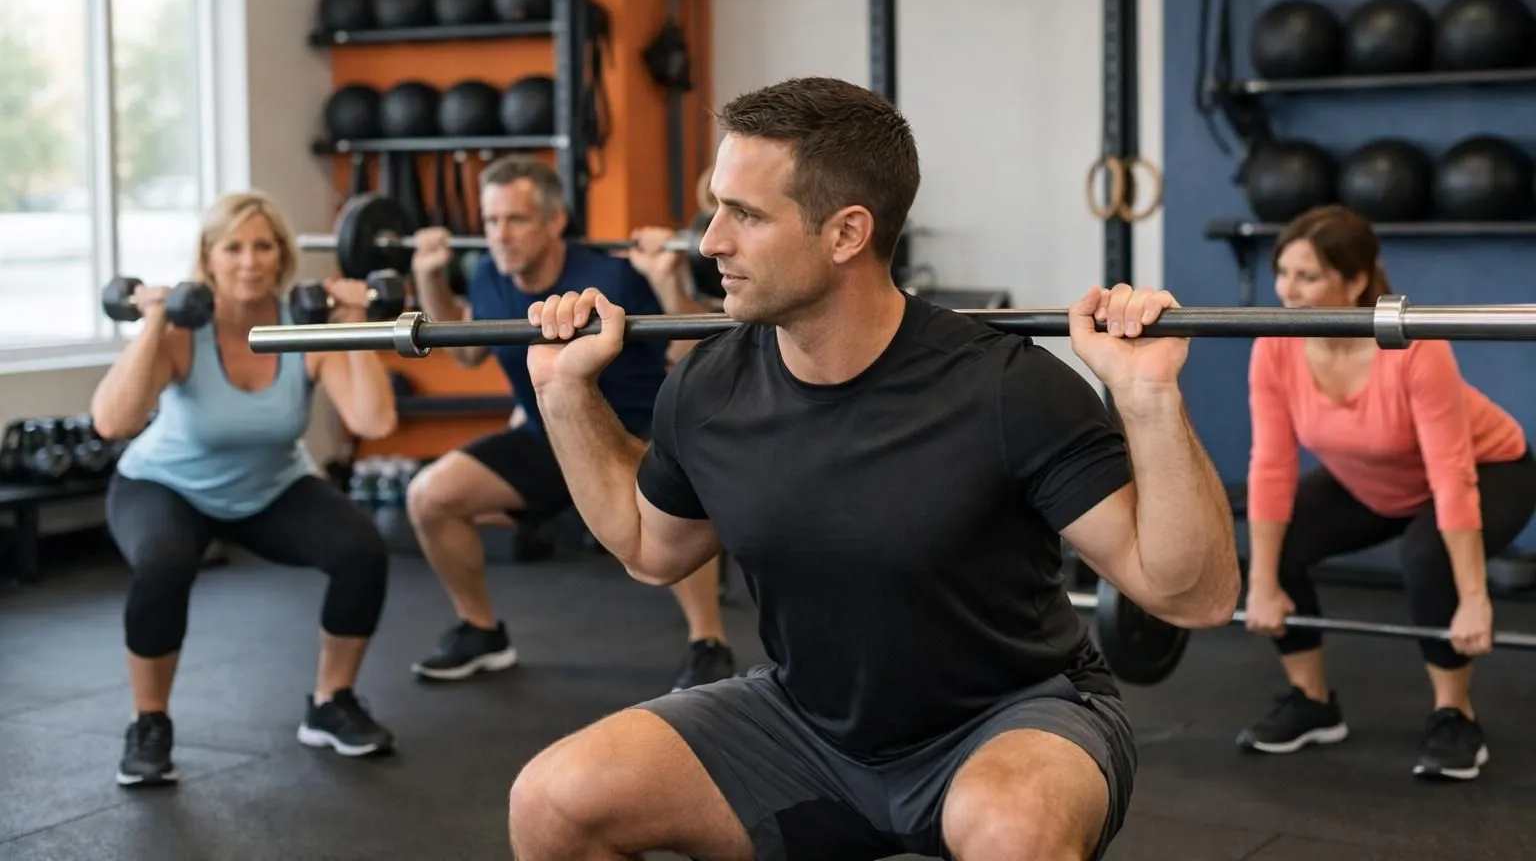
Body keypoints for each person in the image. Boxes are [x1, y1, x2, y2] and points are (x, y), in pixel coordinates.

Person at [503, 76, 1242, 861]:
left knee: (1010, 831)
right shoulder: (710, 386)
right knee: (552, 803)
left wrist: (1147, 392)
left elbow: (1192, 595)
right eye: (717, 207)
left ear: (847, 233)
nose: (710, 241)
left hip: (1013, 717)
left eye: (745, 215)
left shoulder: (1003, 387)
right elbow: (652, 549)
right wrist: (561, 392)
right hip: (804, 727)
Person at [91, 191, 401, 789]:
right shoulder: (184, 330)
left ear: (282, 257)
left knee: (360, 548)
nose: (250, 261)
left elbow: (373, 422)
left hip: (270, 487)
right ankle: (149, 722)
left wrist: (356, 324)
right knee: (163, 563)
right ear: (208, 258)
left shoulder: (304, 329)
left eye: (263, 246)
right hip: (165, 486)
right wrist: (157, 319)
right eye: (233, 247)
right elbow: (112, 422)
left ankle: (331, 702)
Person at [404, 155, 738, 692]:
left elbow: (691, 344)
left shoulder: (612, 275)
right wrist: (429, 279)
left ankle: (709, 643)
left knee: (677, 500)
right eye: (491, 222)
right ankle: (480, 631)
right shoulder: (488, 275)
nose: (500, 236)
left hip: (637, 434)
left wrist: (664, 278)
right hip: (547, 436)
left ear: (554, 221)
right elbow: (465, 354)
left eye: (516, 220)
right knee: (429, 497)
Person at [1238, 203, 1536, 780]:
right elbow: (1271, 465)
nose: (1287, 292)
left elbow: (1451, 472)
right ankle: (1312, 702)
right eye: (1283, 273)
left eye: (1308, 276)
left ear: (1354, 282)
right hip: (1375, 478)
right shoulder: (1276, 346)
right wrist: (1262, 583)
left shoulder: (1415, 347)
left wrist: (1474, 597)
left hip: (1492, 467)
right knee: (1276, 538)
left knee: (1426, 557)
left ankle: (1455, 714)